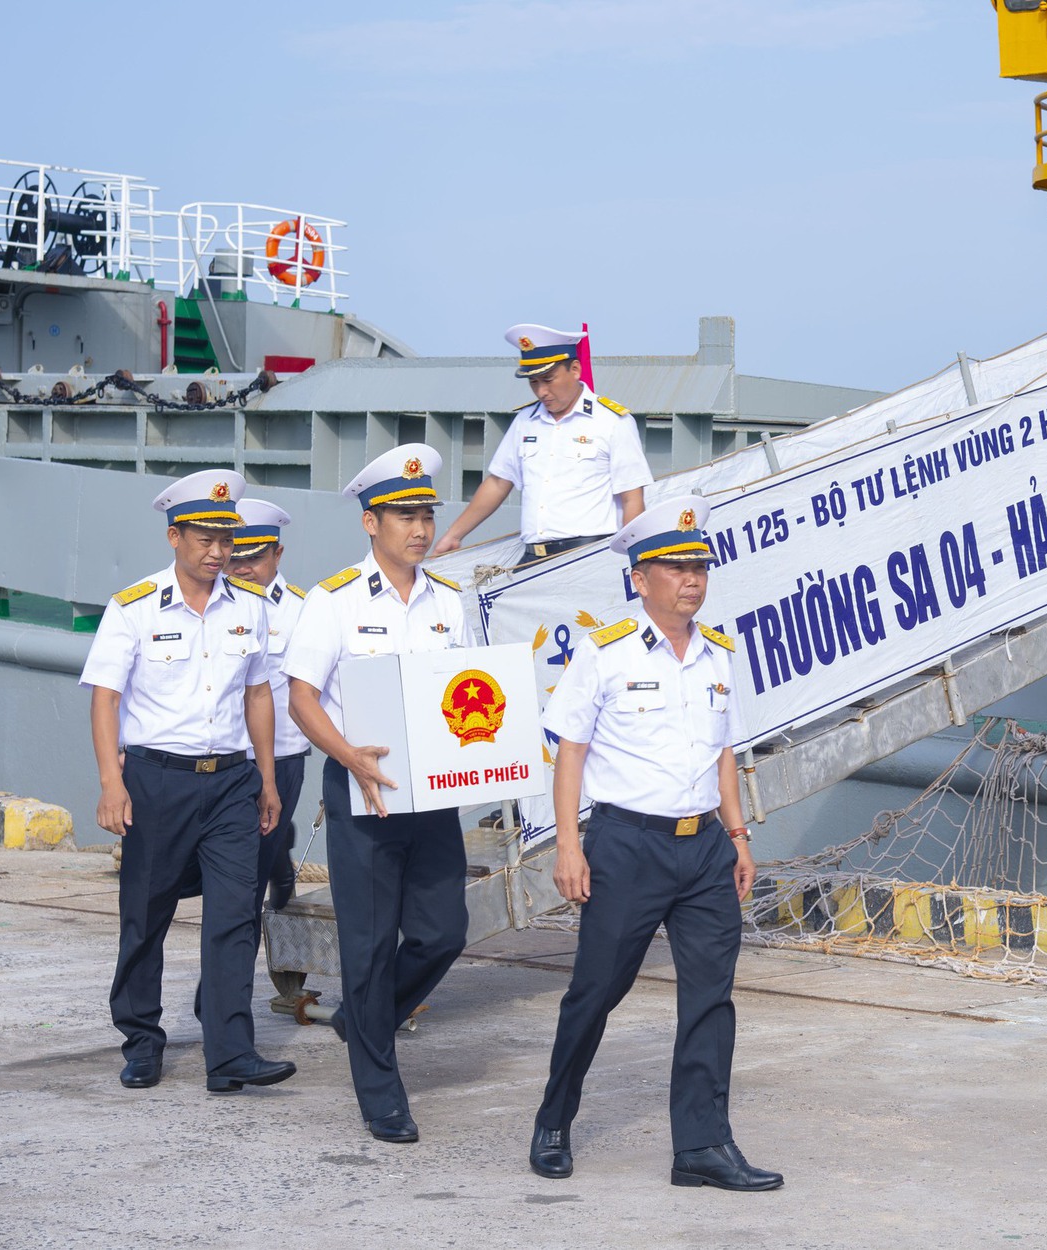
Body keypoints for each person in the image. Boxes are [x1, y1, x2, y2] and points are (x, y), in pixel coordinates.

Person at [528, 495, 777, 1192]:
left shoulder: (719, 657)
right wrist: (569, 845)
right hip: (625, 845)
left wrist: (738, 836)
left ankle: (701, 1146)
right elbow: (570, 750)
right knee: (595, 991)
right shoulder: (603, 654)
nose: (692, 579)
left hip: (704, 853)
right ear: (640, 578)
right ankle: (554, 1118)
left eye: (699, 566)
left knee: (709, 997)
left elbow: (723, 753)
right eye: (675, 567)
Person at [79, 468, 294, 1094]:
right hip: (154, 781)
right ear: (175, 536)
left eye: (226, 540)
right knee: (145, 915)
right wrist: (110, 782)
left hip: (230, 781)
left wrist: (268, 779)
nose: (218, 552)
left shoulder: (251, 608)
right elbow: (104, 699)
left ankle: (229, 1054)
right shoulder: (133, 608)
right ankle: (141, 1039)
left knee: (235, 914)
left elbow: (258, 694)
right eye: (204, 538)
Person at [283, 444, 470, 1145]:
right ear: (371, 523)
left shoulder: (451, 604)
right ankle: (381, 1094)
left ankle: (362, 1019)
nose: (419, 529)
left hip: (433, 794)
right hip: (361, 792)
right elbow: (302, 700)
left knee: (443, 932)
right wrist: (347, 756)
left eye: (426, 514)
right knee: (367, 946)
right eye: (404, 516)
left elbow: (469, 693)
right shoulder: (332, 602)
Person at [432, 323, 653, 564]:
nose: (541, 391)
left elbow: (632, 498)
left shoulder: (611, 421)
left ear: (575, 369)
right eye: (534, 382)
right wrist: (454, 535)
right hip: (532, 558)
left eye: (548, 379)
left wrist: (633, 560)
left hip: (587, 557)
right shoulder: (525, 421)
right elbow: (498, 483)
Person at [226, 499, 312, 920]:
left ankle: (220, 986)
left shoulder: (303, 612)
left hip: (280, 756)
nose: (241, 568)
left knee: (245, 882)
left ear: (277, 554)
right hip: (223, 756)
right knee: (238, 872)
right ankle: (279, 860)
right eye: (232, 557)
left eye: (254, 557)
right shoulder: (214, 606)